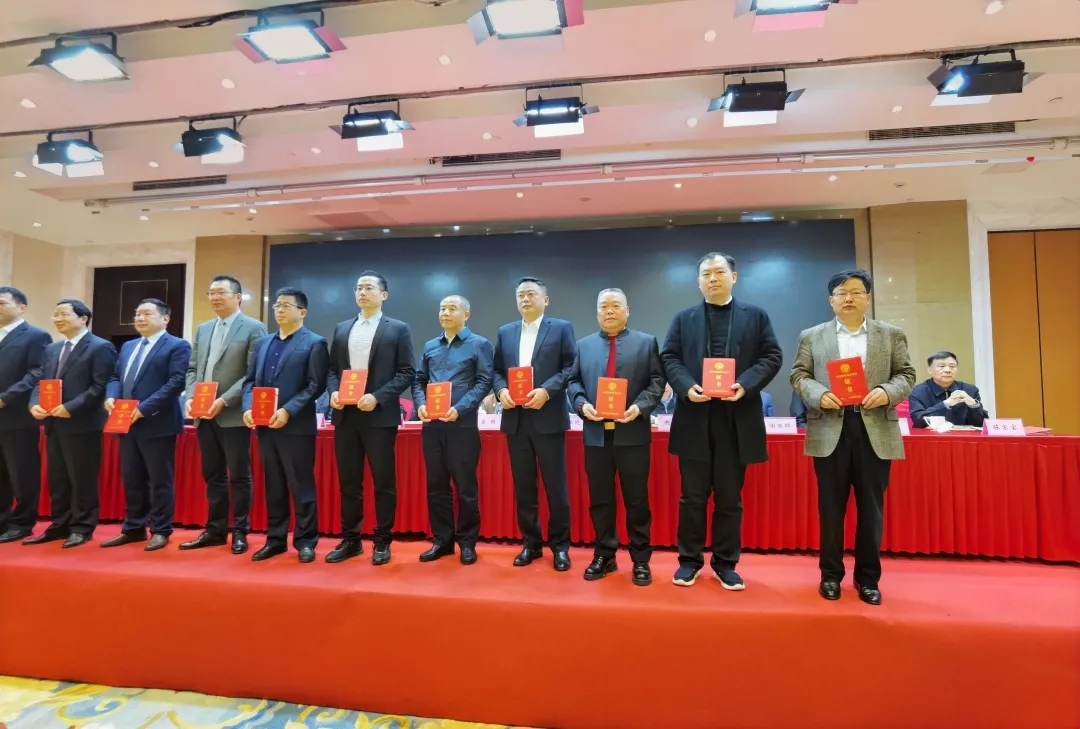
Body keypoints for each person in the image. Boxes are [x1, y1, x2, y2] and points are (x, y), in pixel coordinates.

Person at [790, 268, 915, 606]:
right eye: (841, 293)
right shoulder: (812, 336)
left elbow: (906, 374)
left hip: (874, 428)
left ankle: (868, 579)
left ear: (868, 298)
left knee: (871, 509)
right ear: (831, 300)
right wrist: (818, 394)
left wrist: (886, 392)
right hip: (830, 426)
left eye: (856, 292)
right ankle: (830, 575)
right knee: (830, 508)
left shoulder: (890, 335)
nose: (849, 298)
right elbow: (799, 375)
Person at [661, 252, 783, 590]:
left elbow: (772, 356)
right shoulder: (683, 318)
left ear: (734, 277)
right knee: (692, 497)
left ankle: (726, 563)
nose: (712, 278)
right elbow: (669, 357)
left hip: (736, 420)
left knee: (730, 498)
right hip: (694, 418)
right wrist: (686, 386)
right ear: (698, 281)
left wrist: (744, 384)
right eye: (706, 274)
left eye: (719, 272)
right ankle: (689, 562)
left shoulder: (755, 316)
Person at [566, 288, 665, 586]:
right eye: (603, 306)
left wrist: (639, 407)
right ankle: (604, 555)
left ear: (627, 310)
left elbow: (657, 381)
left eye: (615, 306)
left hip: (632, 435)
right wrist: (582, 404)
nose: (608, 311)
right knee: (600, 500)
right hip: (596, 436)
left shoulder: (646, 343)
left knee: (637, 500)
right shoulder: (583, 345)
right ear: (597, 312)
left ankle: (640, 559)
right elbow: (573, 382)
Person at [325, 271, 415, 566]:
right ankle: (351, 540)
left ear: (383, 295)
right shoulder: (342, 328)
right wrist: (333, 392)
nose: (362, 292)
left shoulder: (398, 329)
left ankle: (382, 540)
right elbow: (332, 370)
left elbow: (407, 372)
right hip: (346, 415)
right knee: (349, 482)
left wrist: (377, 396)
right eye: (358, 288)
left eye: (368, 288)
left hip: (378, 416)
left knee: (383, 482)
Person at [492, 277, 576, 572]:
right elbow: (496, 371)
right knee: (524, 487)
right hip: (516, 420)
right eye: (521, 295)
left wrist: (547, 391)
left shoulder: (561, 328)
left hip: (548, 417)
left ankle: (560, 547)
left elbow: (570, 367)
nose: (525, 299)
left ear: (545, 300)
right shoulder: (506, 332)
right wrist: (501, 390)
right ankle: (531, 543)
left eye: (531, 294)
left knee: (556, 487)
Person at [180, 275, 266, 555]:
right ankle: (215, 530)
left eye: (221, 292)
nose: (215, 297)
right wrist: (191, 397)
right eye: (211, 292)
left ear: (238, 297)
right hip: (203, 415)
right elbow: (193, 368)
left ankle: (240, 531)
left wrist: (225, 400)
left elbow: (253, 373)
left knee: (239, 476)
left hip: (232, 414)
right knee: (212, 475)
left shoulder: (253, 327)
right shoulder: (204, 328)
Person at [242, 287, 329, 563]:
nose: (279, 310)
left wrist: (288, 410)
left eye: (286, 306)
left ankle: (306, 540)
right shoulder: (263, 343)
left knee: (301, 485)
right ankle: (275, 539)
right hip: (265, 426)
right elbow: (249, 381)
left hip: (296, 427)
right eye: (277, 305)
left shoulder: (314, 343)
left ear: (302, 312)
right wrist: (248, 407)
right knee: (274, 484)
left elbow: (315, 385)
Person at [25, 300, 116, 548]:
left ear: (83, 318)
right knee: (58, 479)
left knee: (81, 478)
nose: (57, 319)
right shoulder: (52, 349)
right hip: (53, 424)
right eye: (55, 315)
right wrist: (34, 404)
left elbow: (100, 386)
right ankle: (59, 524)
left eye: (63, 314)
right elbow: (41, 381)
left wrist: (71, 407)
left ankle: (82, 527)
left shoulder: (100, 347)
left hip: (82, 424)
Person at [102, 299, 190, 551]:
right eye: (137, 314)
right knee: (132, 478)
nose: (139, 318)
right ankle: (133, 528)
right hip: (126, 423)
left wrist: (144, 408)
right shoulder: (128, 346)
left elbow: (176, 382)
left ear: (165, 319)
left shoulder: (177, 345)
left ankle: (161, 530)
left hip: (157, 422)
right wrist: (111, 396)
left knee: (159, 480)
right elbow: (115, 377)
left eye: (147, 314)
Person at [412, 295, 493, 565]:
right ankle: (442, 541)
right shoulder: (430, 346)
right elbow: (419, 380)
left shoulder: (479, 344)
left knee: (465, 488)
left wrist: (460, 408)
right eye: (442, 309)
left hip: (462, 426)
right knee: (436, 487)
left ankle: (467, 543)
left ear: (466, 315)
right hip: (432, 427)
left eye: (452, 309)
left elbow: (484, 382)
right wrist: (421, 404)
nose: (445, 313)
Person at [0, 287, 52, 544]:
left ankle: (22, 522)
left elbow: (38, 373)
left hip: (17, 415)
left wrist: (6, 397)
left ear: (21, 308)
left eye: (1, 303)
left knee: (22, 472)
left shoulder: (36, 336)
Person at [907, 351, 987, 428]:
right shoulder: (918, 391)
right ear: (930, 370)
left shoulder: (970, 390)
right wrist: (946, 404)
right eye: (942, 366)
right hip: (931, 436)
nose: (948, 370)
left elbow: (982, 423)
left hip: (963, 436)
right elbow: (918, 420)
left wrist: (973, 404)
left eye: (952, 366)